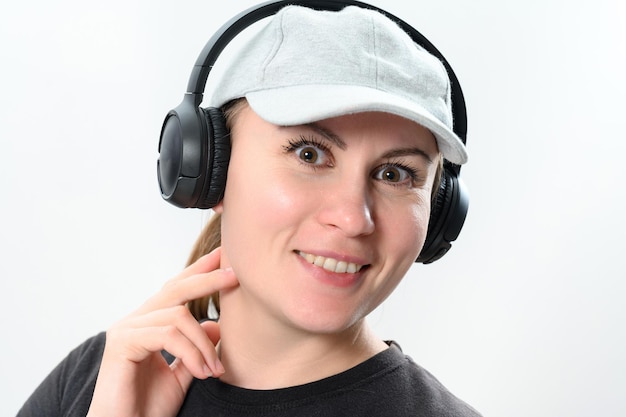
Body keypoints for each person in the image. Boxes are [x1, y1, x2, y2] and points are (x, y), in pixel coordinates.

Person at [18, 2, 481, 416]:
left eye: (395, 174)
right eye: (309, 154)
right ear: (208, 170)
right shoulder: (104, 376)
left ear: (439, 211)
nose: (353, 218)